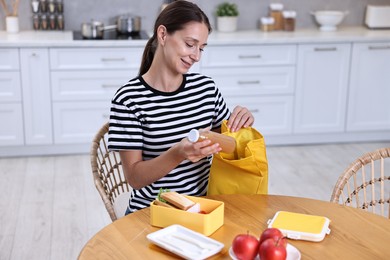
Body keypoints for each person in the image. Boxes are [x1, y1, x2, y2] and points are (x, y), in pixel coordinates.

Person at [108, 0, 254, 214]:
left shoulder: (206, 88)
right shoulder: (128, 99)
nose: (196, 56)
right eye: (190, 44)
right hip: (153, 213)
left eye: (201, 48)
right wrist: (178, 152)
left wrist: (241, 122)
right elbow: (135, 179)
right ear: (163, 34)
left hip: (205, 209)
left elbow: (229, 145)